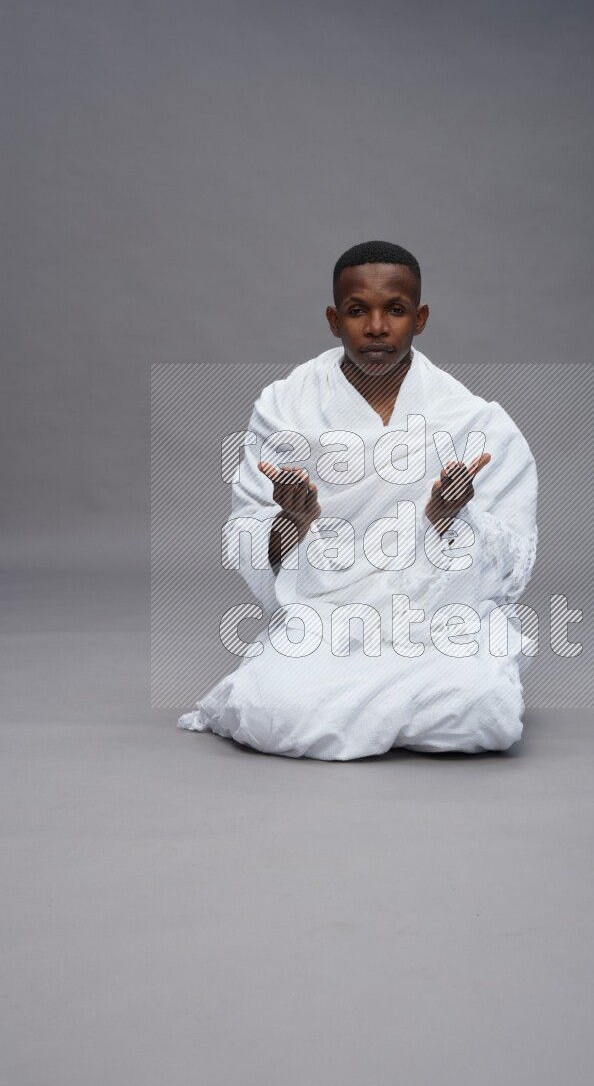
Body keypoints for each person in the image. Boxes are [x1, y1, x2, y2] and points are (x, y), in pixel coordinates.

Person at [177, 241, 539, 760]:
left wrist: (448, 521)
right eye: (356, 311)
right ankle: (395, 710)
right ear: (333, 320)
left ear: (420, 318)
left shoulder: (473, 421)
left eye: (395, 310)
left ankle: (365, 708)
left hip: (433, 619)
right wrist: (292, 522)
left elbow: (508, 566)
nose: (376, 327)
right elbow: (245, 536)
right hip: (327, 617)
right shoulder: (285, 409)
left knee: (485, 711)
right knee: (272, 711)